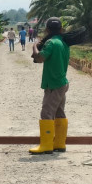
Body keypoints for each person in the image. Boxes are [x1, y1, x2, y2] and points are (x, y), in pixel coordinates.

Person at [29, 17, 70, 154]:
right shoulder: (63, 42)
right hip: (61, 82)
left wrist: (35, 46)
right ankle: (59, 143)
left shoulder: (51, 43)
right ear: (61, 29)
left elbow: (39, 58)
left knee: (47, 113)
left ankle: (46, 145)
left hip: (53, 84)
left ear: (47, 29)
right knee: (59, 112)